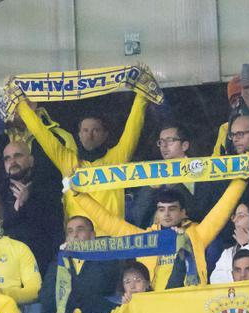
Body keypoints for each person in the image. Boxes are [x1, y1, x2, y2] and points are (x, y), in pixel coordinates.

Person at [72, 175, 248, 290]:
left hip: (188, 302)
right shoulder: (146, 240)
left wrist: (242, 180)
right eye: (161, 209)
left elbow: (223, 208)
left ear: (183, 212)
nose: (166, 214)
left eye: (172, 209)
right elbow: (109, 222)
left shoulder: (197, 234)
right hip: (155, 304)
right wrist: (79, 196)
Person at [15, 82, 150, 219]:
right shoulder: (67, 160)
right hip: (78, 236)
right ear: (78, 135)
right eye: (85, 130)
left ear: (105, 134)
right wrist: (21, 105)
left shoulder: (117, 157)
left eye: (95, 130)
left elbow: (133, 128)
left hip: (111, 238)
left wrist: (142, 94)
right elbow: (41, 133)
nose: (89, 135)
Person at [38, 215, 120, 313]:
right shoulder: (58, 263)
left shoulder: (105, 259)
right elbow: (46, 297)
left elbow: (98, 288)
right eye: (70, 231)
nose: (74, 235)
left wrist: (68, 292)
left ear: (93, 236)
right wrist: (65, 261)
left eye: (80, 230)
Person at [0, 141, 64, 275]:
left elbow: (54, 228)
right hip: (5, 266)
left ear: (31, 161)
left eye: (17, 156)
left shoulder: (49, 188)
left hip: (42, 264)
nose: (12, 161)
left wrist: (28, 201)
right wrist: (16, 209)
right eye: (7, 158)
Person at [127, 124, 218, 226]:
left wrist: (177, 185)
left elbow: (204, 213)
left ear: (185, 146)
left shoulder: (202, 171)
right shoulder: (155, 172)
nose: (164, 146)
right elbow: (137, 217)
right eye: (161, 142)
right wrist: (150, 189)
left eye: (169, 140)